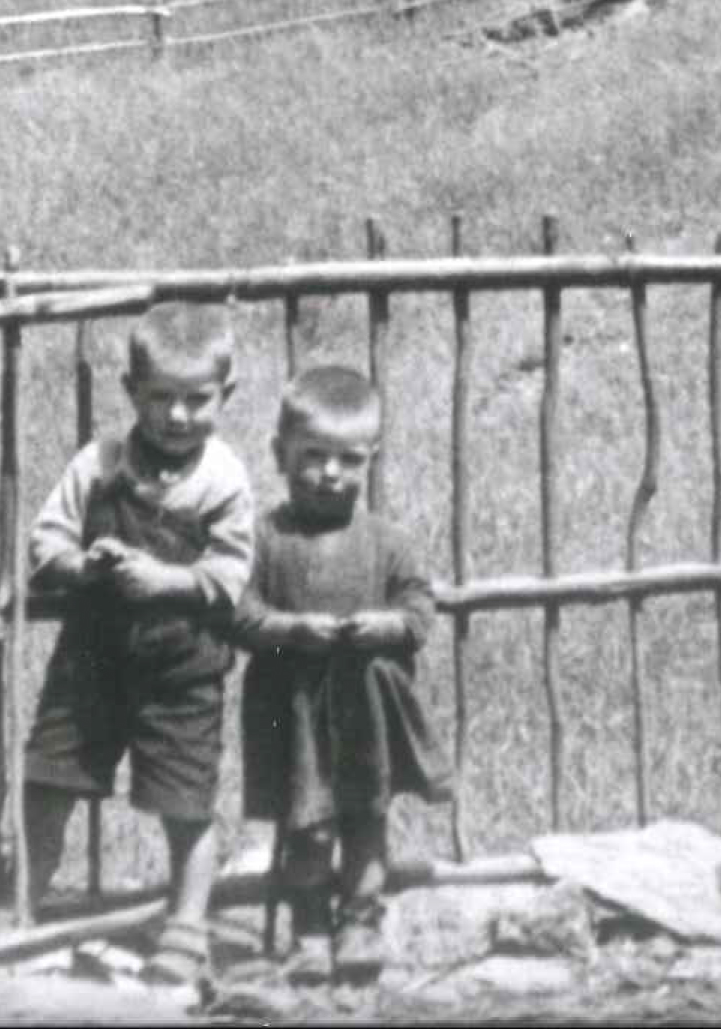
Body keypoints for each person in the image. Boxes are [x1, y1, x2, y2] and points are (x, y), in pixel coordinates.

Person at [19, 299, 253, 990]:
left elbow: (233, 574)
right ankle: (24, 909)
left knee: (186, 800)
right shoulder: (100, 463)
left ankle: (186, 927)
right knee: (48, 781)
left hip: (182, 669)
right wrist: (82, 565)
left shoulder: (223, 478)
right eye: (160, 398)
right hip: (91, 663)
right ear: (131, 391)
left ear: (226, 394)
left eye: (196, 400)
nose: (177, 416)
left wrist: (167, 580)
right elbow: (46, 541)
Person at [230, 363, 443, 985]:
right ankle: (310, 931)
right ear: (280, 454)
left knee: (366, 817)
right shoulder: (264, 539)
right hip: (293, 709)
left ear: (371, 459)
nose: (330, 473)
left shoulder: (386, 542)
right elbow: (239, 613)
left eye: (348, 460)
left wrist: (386, 625)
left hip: (364, 712)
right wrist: (291, 629)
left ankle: (360, 921)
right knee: (308, 826)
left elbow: (419, 610)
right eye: (313, 456)